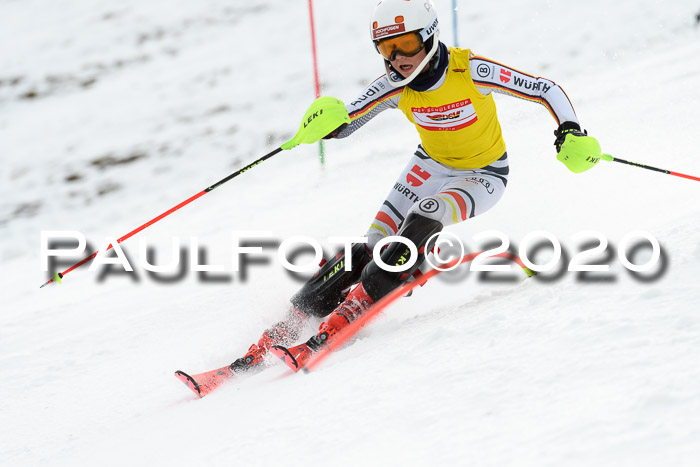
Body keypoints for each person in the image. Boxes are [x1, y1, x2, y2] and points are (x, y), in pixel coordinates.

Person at [230, 0, 602, 371]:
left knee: (427, 213)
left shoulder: (469, 69)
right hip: (429, 167)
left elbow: (543, 88)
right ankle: (287, 325)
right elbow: (348, 122)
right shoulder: (394, 86)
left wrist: (569, 130)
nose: (398, 58)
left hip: (484, 174)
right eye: (387, 49)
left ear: (428, 37)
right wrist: (321, 126)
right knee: (369, 248)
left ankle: (356, 305)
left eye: (406, 44)